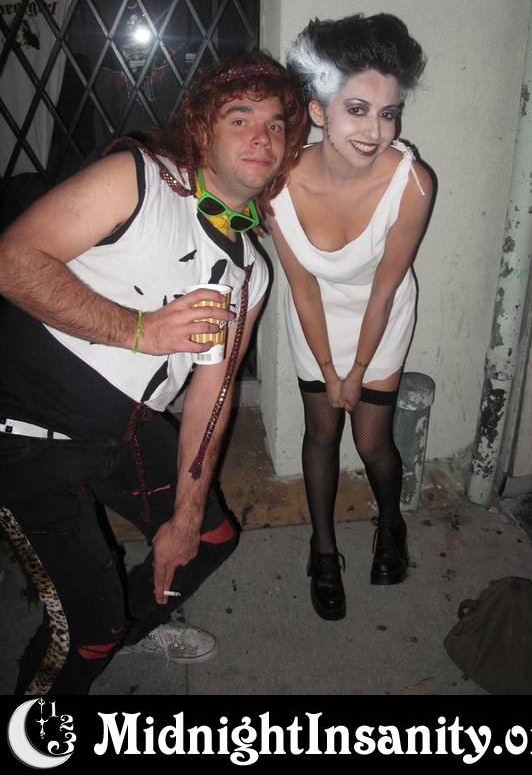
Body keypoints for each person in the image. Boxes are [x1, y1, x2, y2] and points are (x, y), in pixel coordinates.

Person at [0, 50, 307, 694]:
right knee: (86, 633)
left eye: (276, 124)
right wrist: (139, 330)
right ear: (201, 130)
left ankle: (127, 629)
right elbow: (13, 262)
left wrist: (186, 516)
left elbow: (213, 394)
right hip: (25, 431)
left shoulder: (252, 270)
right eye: (240, 118)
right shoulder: (138, 178)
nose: (262, 136)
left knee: (210, 538)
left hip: (126, 431)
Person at [265, 14, 432, 621]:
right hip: (314, 317)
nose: (376, 130)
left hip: (379, 319)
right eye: (357, 110)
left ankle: (391, 526)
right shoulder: (278, 185)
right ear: (318, 111)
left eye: (389, 113)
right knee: (321, 433)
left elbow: (384, 291)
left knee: (371, 440)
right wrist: (330, 371)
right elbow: (302, 288)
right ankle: (323, 550)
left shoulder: (412, 184)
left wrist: (356, 372)